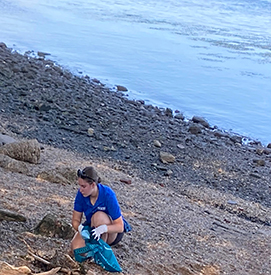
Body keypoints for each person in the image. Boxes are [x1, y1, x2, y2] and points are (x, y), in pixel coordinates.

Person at [71, 166, 125, 253]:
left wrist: (103, 228)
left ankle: (100, 251)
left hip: (111, 231)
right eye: (80, 186)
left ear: (93, 185)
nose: (80, 190)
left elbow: (120, 226)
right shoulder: (81, 194)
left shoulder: (108, 194)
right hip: (92, 226)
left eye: (83, 186)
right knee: (76, 248)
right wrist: (81, 229)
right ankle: (91, 248)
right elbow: (75, 220)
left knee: (98, 216)